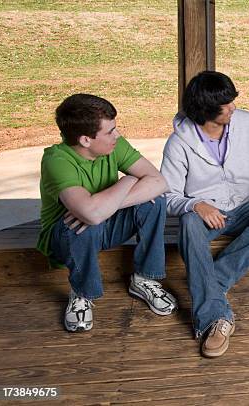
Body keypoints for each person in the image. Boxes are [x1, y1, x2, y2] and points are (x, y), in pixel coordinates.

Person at [161, 71, 249, 358]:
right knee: (188, 223)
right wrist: (195, 205)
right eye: (226, 104)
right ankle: (214, 317)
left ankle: (211, 283)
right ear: (206, 110)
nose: (234, 107)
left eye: (233, 101)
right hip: (208, 214)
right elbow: (167, 195)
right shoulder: (179, 143)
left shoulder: (246, 122)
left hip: (248, 204)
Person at [37, 94, 177, 333]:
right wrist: (129, 180)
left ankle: (145, 278)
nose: (118, 135)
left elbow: (160, 182)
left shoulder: (114, 145)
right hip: (68, 239)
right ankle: (81, 293)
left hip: (107, 224)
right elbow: (91, 215)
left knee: (153, 202)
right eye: (110, 131)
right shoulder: (56, 161)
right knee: (81, 223)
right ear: (85, 140)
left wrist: (111, 205)